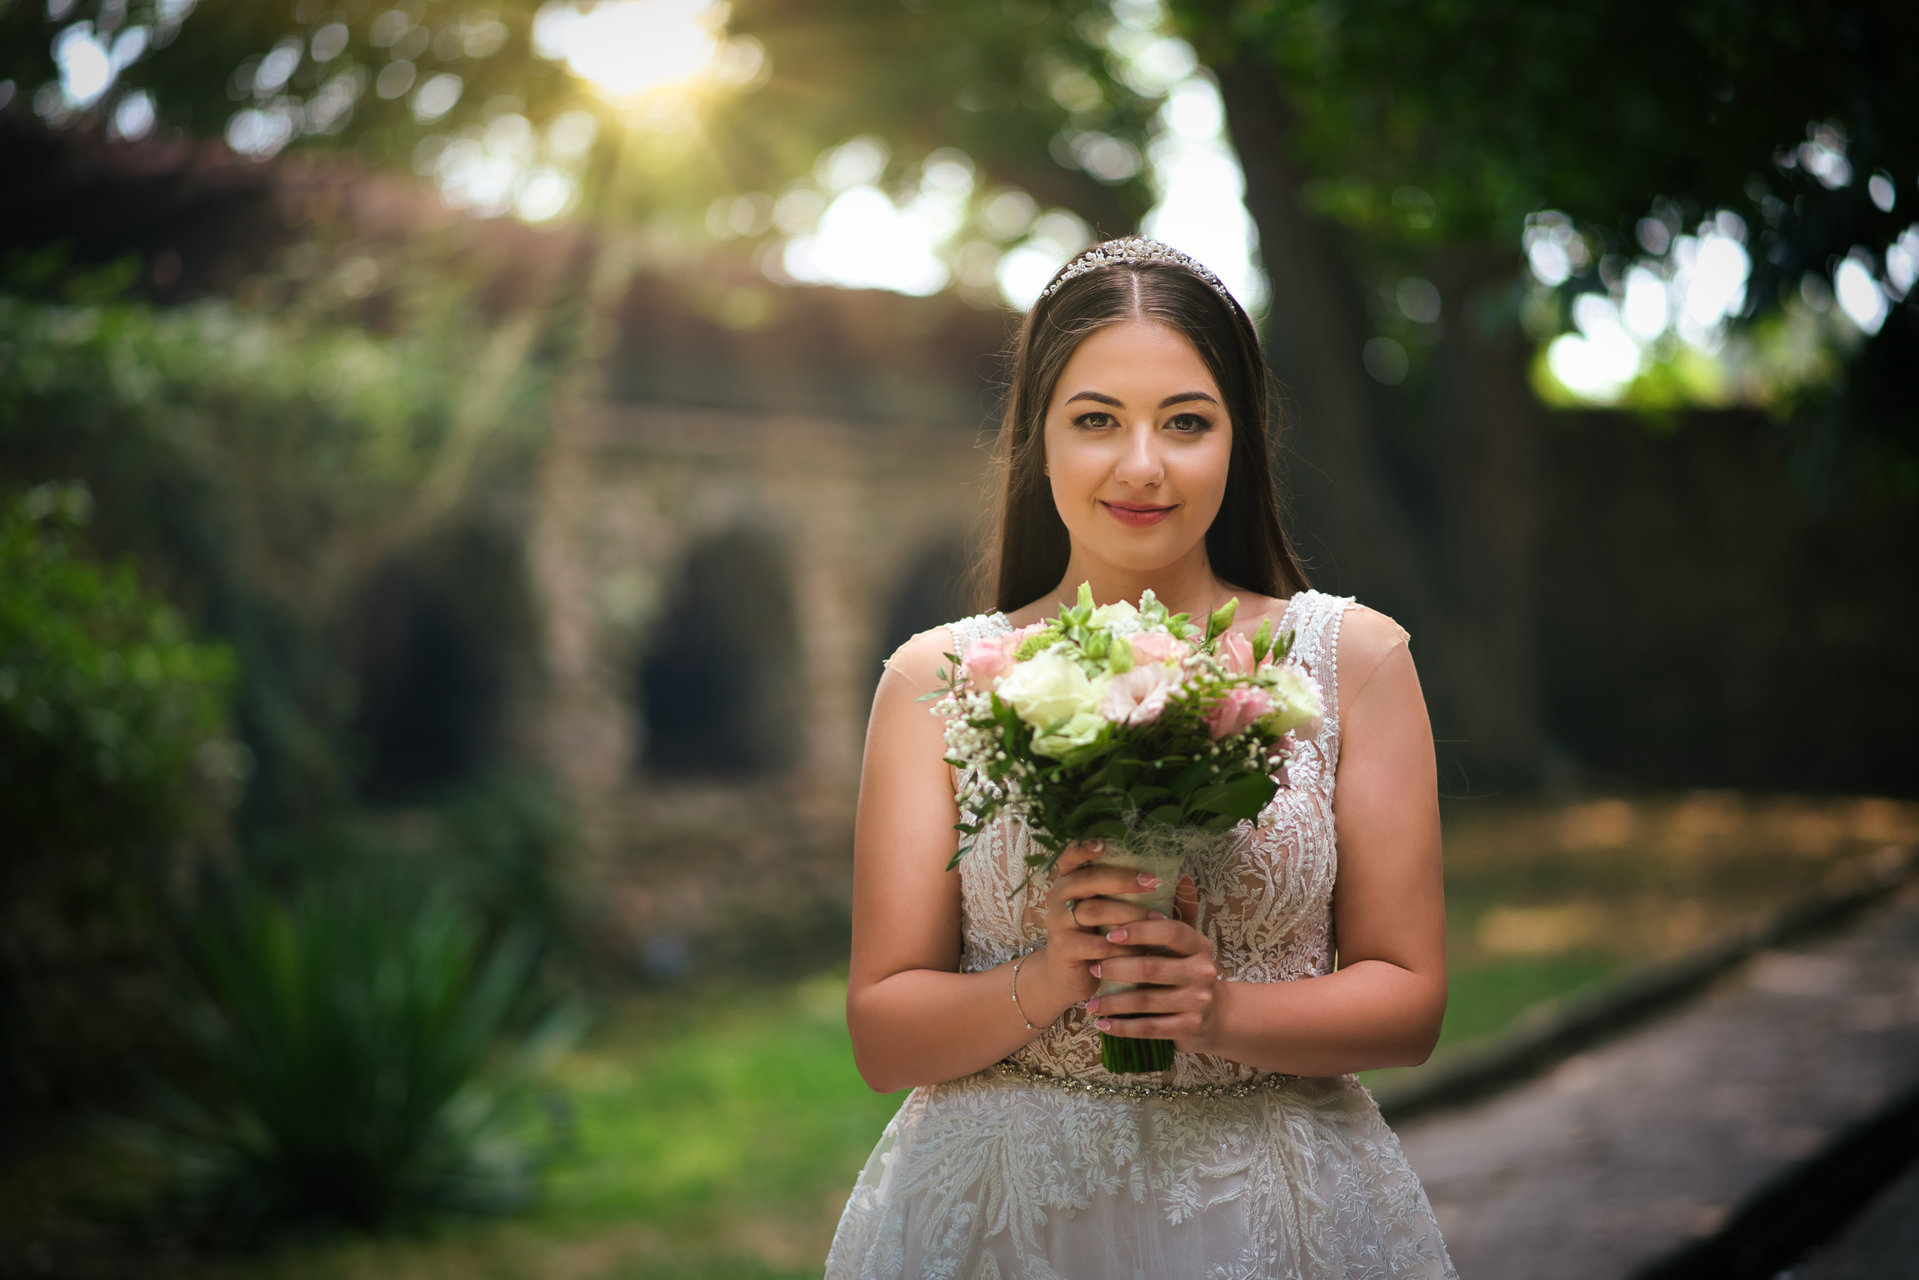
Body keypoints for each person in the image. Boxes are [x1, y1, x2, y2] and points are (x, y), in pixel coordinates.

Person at [827, 237, 1455, 1279]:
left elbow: (1409, 996)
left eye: (1185, 421)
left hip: (1269, 1209)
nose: (1140, 465)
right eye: (1093, 420)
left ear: (1239, 439)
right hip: (1001, 1220)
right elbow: (883, 1032)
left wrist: (1221, 1010)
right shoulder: (932, 679)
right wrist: (1049, 975)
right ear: (1036, 439)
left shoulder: (1352, 660)